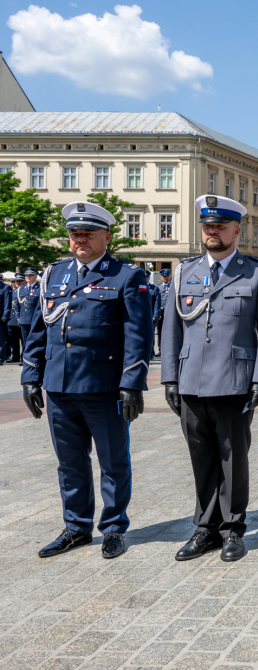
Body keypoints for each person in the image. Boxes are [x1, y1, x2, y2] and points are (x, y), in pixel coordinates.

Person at [22, 201, 153, 559]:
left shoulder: (126, 276)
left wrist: (132, 384)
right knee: (70, 463)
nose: (80, 239)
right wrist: (30, 375)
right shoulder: (54, 274)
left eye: (88, 233)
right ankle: (77, 527)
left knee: (113, 462)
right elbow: (38, 330)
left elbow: (139, 335)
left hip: (104, 386)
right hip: (59, 385)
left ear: (106, 237)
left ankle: (113, 528)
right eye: (74, 233)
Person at [162, 195, 258, 563]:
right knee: (200, 457)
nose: (212, 232)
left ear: (236, 231)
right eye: (207, 226)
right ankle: (205, 529)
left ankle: (232, 530)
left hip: (234, 381)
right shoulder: (185, 272)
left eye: (219, 226)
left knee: (233, 458)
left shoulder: (256, 273)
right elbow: (171, 329)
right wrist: (169, 379)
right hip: (191, 380)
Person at [16, 268, 41, 348]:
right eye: (26, 276)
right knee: (25, 342)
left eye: (30, 276)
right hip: (23, 320)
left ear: (35, 277)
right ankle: (25, 355)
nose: (28, 277)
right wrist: (18, 317)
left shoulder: (40, 288)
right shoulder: (21, 289)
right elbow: (17, 305)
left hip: (35, 320)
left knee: (35, 341)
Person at [6, 273, 24, 363]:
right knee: (13, 340)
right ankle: (15, 357)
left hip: (22, 319)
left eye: (20, 281)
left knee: (23, 340)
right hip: (12, 319)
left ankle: (23, 357)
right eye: (15, 281)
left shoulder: (25, 291)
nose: (17, 283)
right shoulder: (11, 292)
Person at [155, 269, 172, 357]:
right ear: (161, 277)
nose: (166, 278)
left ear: (170, 276)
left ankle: (169, 350)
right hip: (160, 311)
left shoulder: (173, 286)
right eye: (164, 276)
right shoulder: (158, 287)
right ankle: (160, 350)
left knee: (170, 331)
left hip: (169, 311)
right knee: (160, 331)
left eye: (167, 276)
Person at [0, 276, 9, 361]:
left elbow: (7, 303)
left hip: (0, 316)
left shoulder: (5, 287)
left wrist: (5, 315)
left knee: (0, 338)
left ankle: (1, 357)